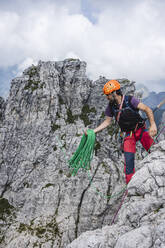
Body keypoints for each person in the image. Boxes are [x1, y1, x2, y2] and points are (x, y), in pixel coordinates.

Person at [86, 80, 157, 184]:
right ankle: (130, 190)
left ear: (114, 93)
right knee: (128, 165)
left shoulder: (130, 100)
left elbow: (147, 109)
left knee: (155, 151)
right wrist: (93, 131)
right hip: (129, 135)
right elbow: (107, 122)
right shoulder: (111, 107)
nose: (107, 98)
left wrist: (153, 125)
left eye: (108, 95)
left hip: (140, 130)